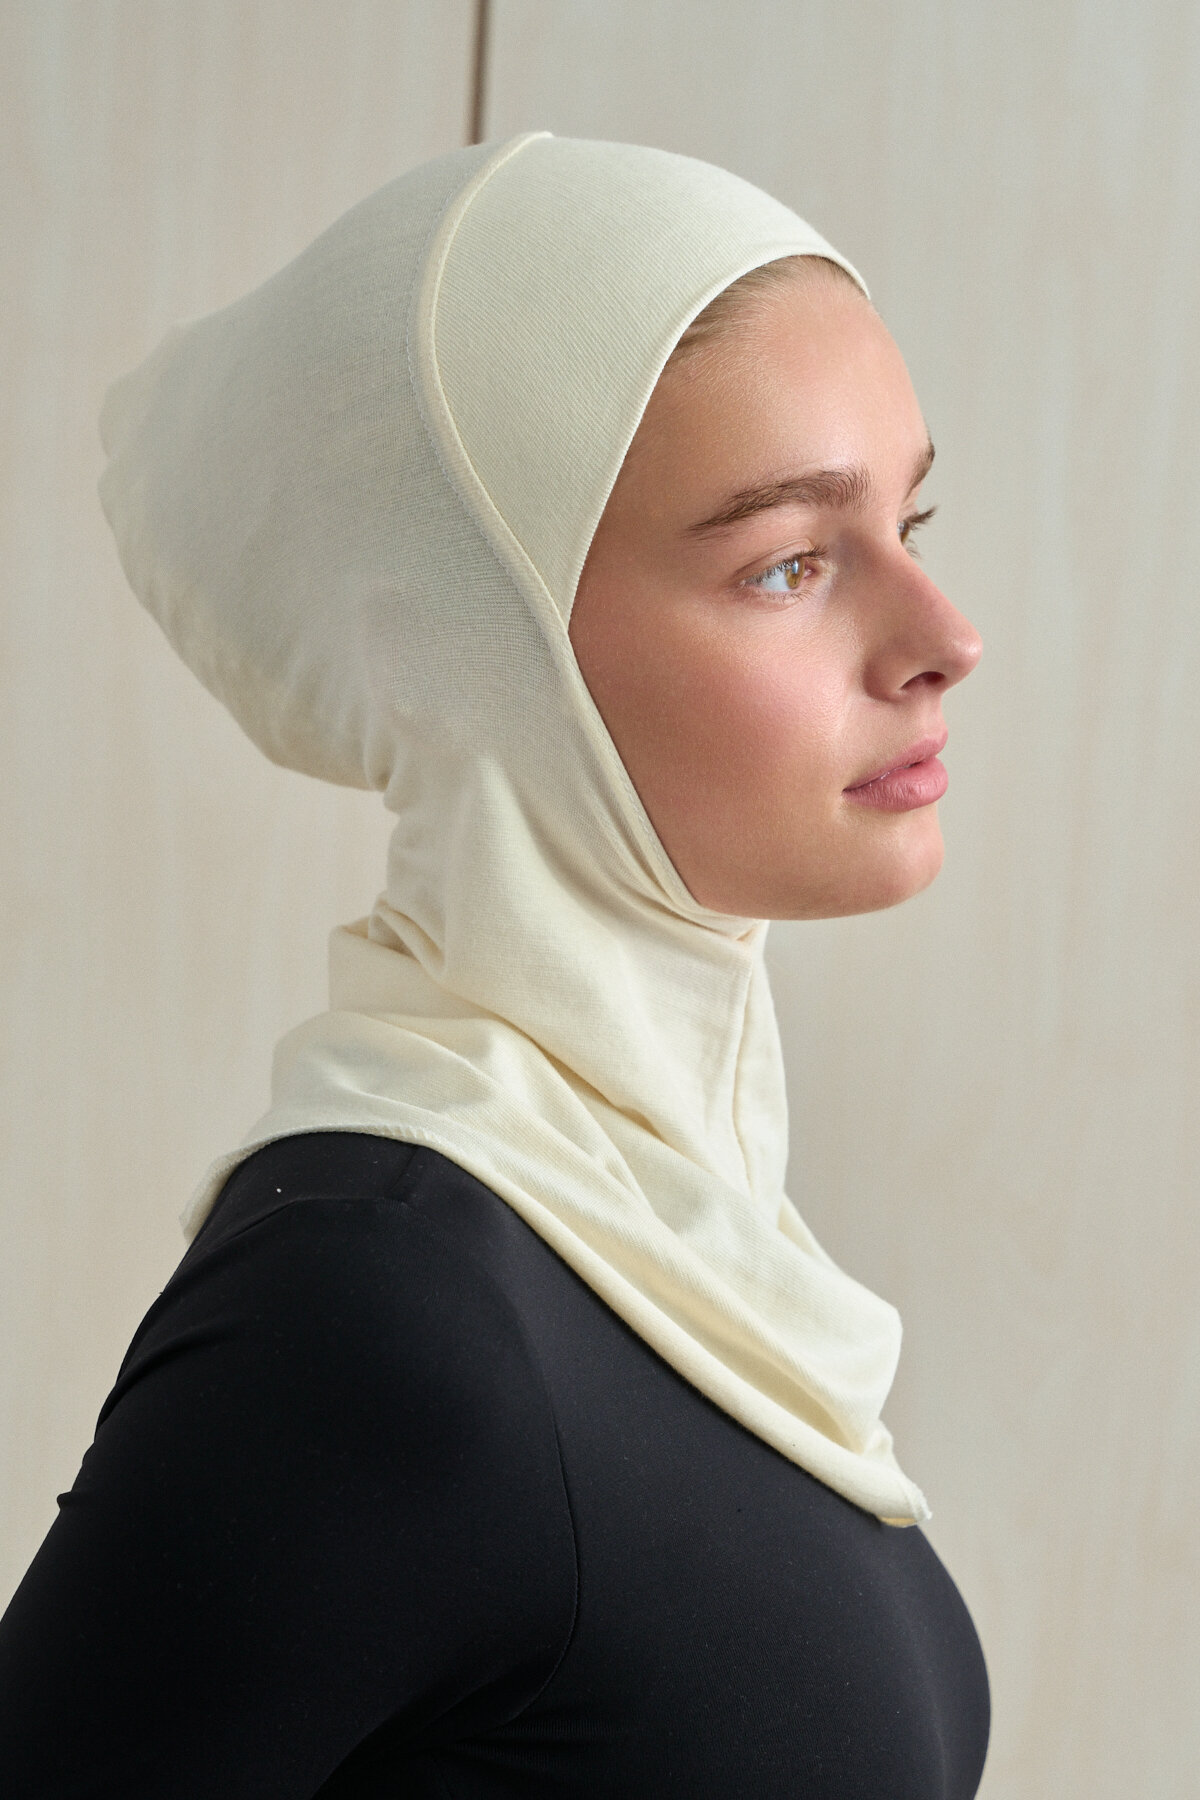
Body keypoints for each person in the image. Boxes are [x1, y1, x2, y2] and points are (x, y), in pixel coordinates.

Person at [0, 132, 987, 1796]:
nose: (945, 638)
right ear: (494, 654)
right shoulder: (383, 1310)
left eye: (911, 518)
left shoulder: (672, 1238)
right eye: (789, 564)